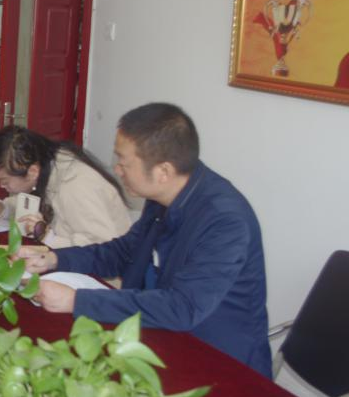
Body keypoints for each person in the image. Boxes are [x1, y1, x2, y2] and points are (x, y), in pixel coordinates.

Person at [17, 103, 270, 377]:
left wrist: (76, 301)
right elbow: (124, 252)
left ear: (163, 172)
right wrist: (53, 259)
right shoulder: (163, 195)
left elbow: (182, 308)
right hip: (161, 336)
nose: (117, 169)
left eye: (124, 162)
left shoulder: (225, 221)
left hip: (219, 361)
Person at [0, 125, 131, 248]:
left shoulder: (76, 187)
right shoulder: (48, 167)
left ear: (32, 172)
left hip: (104, 277)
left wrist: (47, 237)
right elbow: (33, 204)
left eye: (5, 181)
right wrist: (2, 208)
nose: (1, 186)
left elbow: (101, 248)